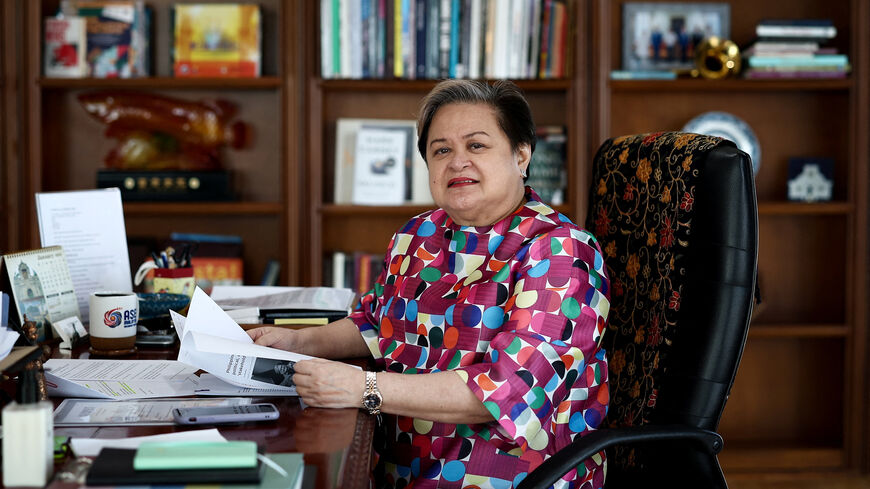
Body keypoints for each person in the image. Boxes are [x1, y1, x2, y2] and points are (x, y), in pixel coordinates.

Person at [248, 79, 610, 488]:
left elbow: (505, 391)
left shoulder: (560, 252)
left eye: (476, 146)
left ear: (521, 154)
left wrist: (363, 387)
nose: (457, 162)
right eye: (441, 150)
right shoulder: (418, 234)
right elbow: (377, 323)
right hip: (395, 467)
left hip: (511, 475)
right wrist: (298, 342)